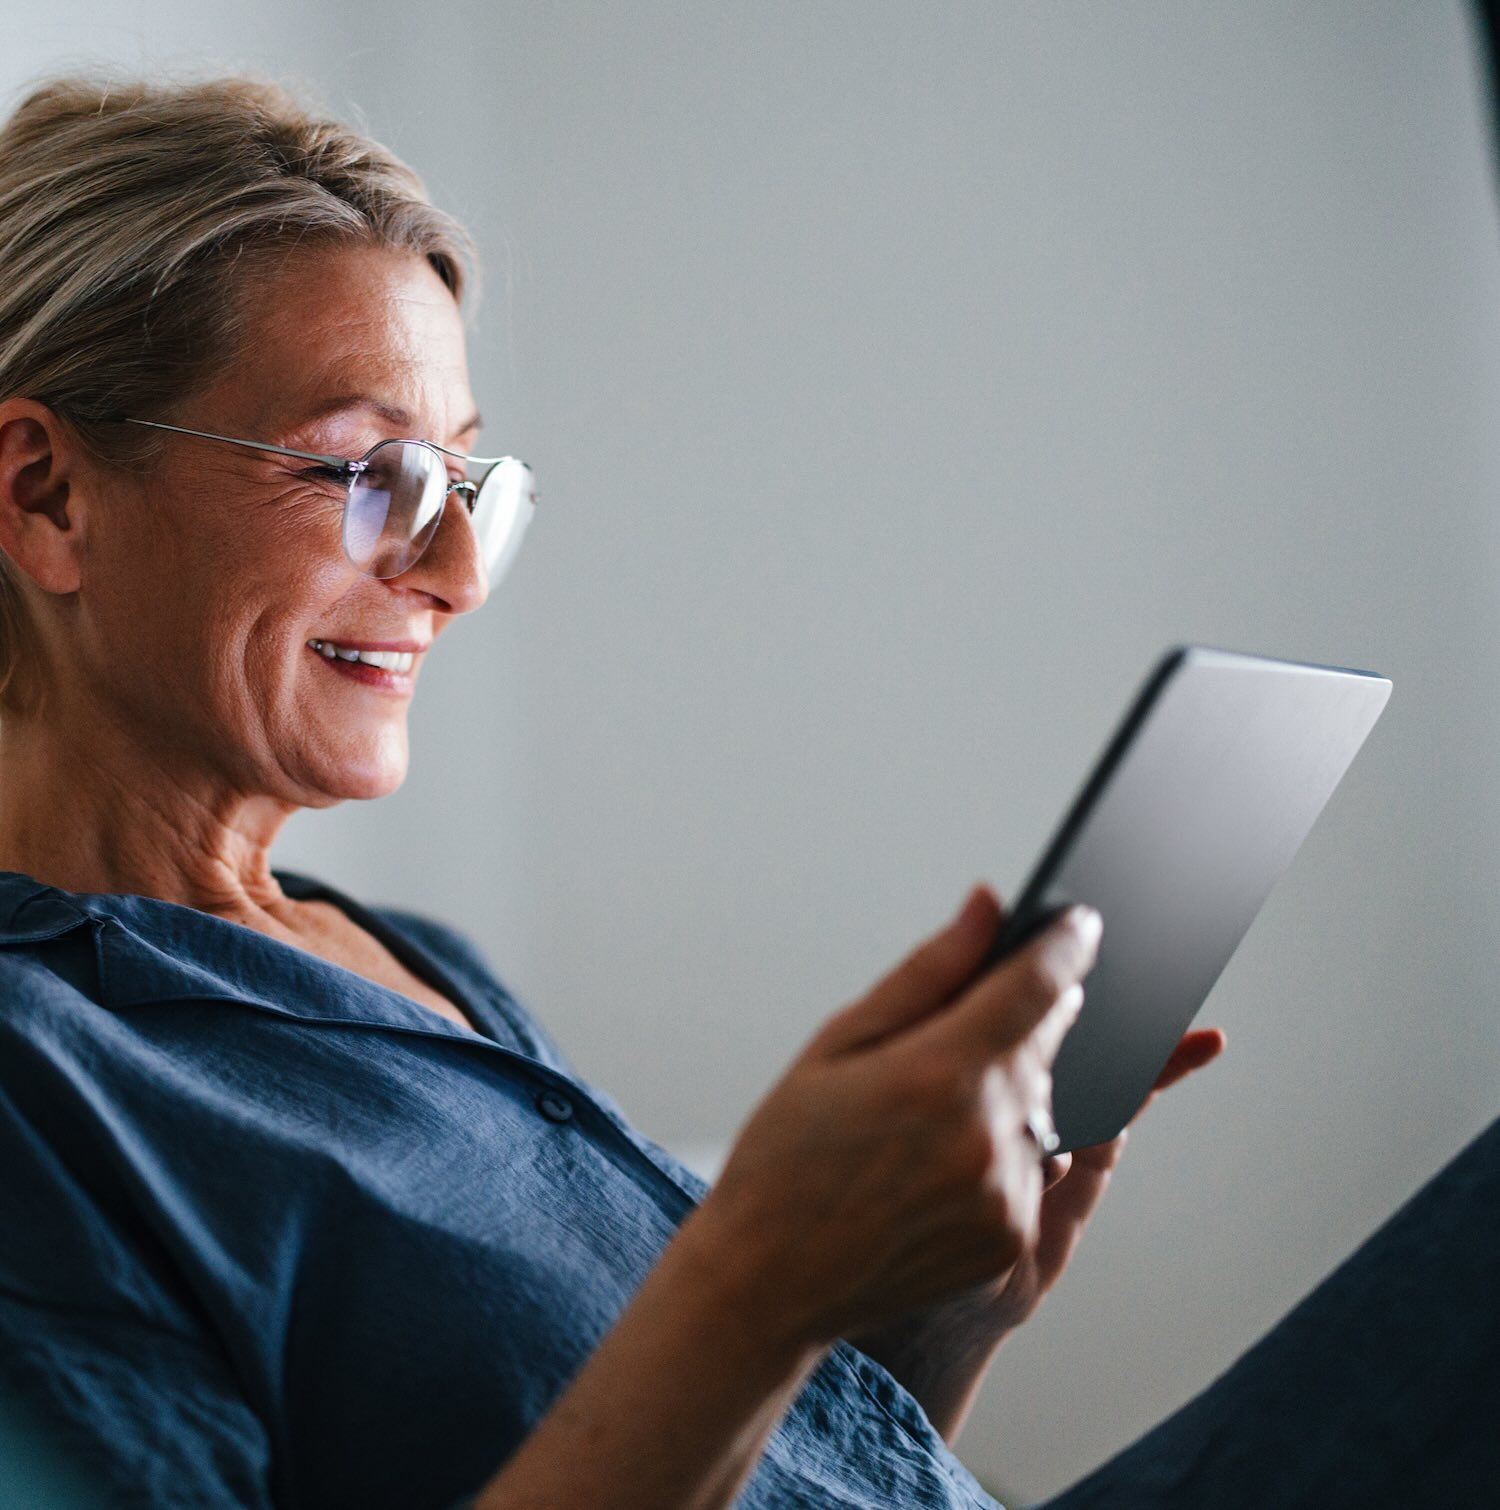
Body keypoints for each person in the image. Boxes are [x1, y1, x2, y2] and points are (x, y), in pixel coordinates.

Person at [0, 64, 1489, 1510]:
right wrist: (759, 1273)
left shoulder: (410, 969)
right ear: (46, 493)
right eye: (364, 474)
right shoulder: (40, 1081)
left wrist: (926, 1321)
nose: (455, 575)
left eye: (467, 485)